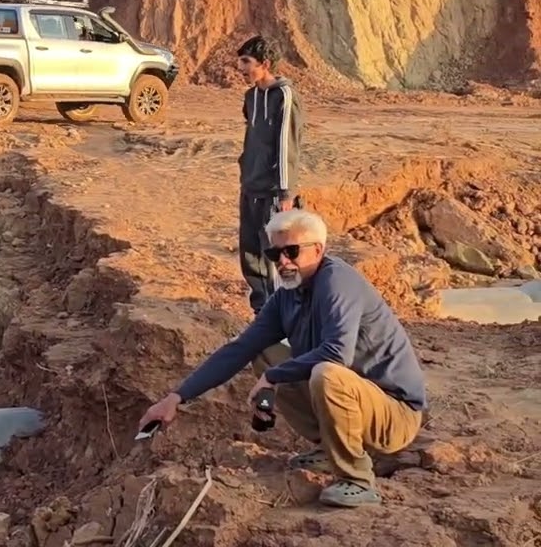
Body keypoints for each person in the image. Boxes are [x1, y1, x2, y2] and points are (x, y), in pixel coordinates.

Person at [135, 208, 427, 509]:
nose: (284, 262)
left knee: (326, 373)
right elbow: (241, 348)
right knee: (265, 352)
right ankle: (331, 449)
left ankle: (358, 480)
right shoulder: (288, 294)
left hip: (395, 415)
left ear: (318, 249)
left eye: (292, 251)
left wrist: (275, 377)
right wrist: (176, 397)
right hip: (355, 402)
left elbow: (338, 352)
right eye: (276, 254)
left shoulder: (337, 281)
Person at [236, 35, 304, 315]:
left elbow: (287, 145)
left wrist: (285, 192)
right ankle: (262, 313)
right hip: (250, 186)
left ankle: (287, 314)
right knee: (250, 251)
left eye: (246, 62)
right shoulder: (250, 97)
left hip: (274, 191)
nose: (240, 68)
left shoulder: (285, 96)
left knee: (278, 254)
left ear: (264, 64)